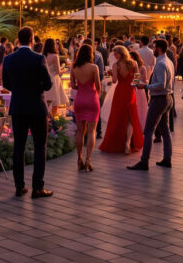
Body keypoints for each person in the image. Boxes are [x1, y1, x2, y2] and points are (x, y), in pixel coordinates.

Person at [2, 27, 54, 198]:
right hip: (37, 107)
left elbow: (7, 84)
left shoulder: (9, 59)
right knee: (40, 146)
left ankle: (19, 186)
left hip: (18, 107)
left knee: (19, 147)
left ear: (18, 40)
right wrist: (35, 88)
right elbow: (47, 84)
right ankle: (37, 187)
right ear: (32, 40)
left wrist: (19, 89)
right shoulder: (39, 59)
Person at [128, 39, 175, 170]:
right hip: (168, 97)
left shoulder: (160, 63)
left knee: (148, 130)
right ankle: (167, 158)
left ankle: (144, 161)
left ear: (158, 48)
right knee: (165, 130)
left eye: (153, 48)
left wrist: (146, 86)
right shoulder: (168, 61)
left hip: (159, 98)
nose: (152, 50)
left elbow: (161, 84)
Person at [100, 46, 144, 154]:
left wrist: (111, 73)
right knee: (130, 118)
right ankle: (128, 142)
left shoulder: (116, 65)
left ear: (121, 53)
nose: (115, 56)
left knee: (118, 116)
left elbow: (114, 81)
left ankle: (119, 142)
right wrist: (132, 84)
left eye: (116, 54)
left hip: (120, 92)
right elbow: (137, 80)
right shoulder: (134, 63)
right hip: (130, 92)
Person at [71, 44, 101, 172]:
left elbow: (73, 86)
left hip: (79, 99)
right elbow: (98, 86)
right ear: (90, 54)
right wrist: (95, 95)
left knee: (80, 131)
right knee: (91, 131)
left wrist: (81, 88)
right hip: (91, 98)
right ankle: (88, 160)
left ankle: (79, 158)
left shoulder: (74, 68)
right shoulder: (94, 67)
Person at [43, 39, 68, 109]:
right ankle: (54, 119)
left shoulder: (42, 56)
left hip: (45, 79)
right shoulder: (55, 56)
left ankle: (47, 119)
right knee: (55, 104)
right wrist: (64, 69)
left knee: (46, 103)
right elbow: (58, 72)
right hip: (54, 80)